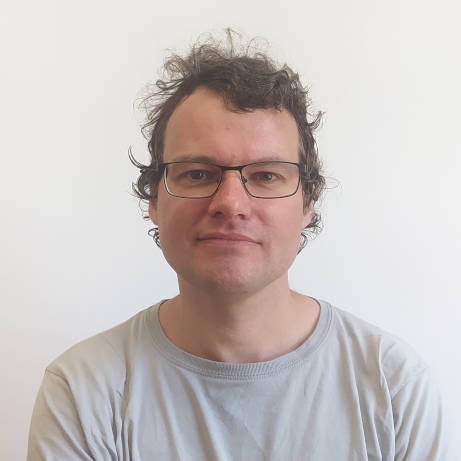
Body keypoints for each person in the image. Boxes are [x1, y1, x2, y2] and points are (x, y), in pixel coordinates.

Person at [27, 32, 454, 460]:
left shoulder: (393, 386)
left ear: (308, 202)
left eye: (267, 175)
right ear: (153, 199)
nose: (230, 203)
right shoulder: (84, 390)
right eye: (197, 174)